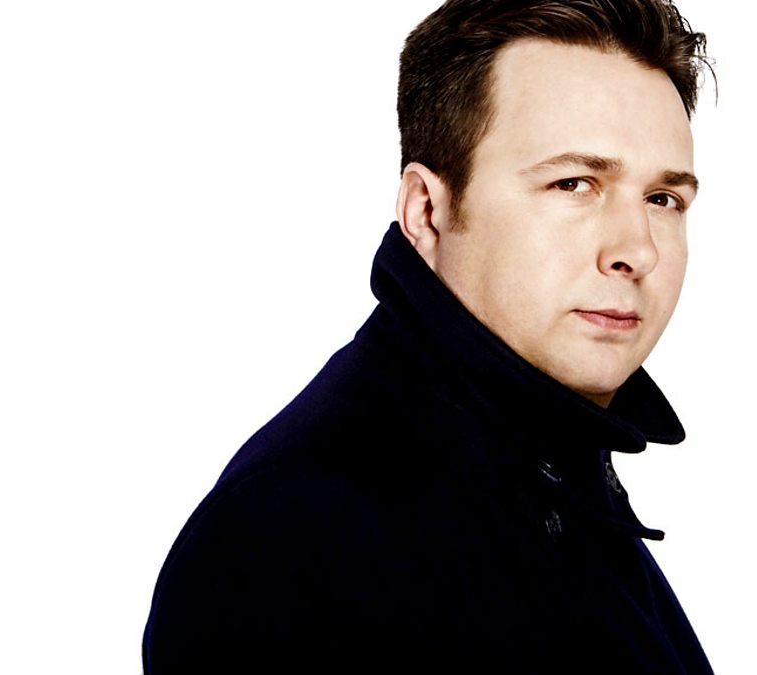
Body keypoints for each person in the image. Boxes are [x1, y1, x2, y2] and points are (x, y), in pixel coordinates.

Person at [143, 0, 713, 672]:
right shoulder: (293, 535)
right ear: (426, 210)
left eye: (663, 199)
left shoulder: (558, 478)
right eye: (574, 183)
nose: (637, 250)